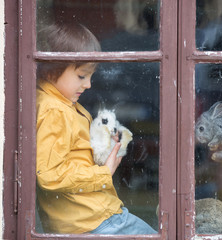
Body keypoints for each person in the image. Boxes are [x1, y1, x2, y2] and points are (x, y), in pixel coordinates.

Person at [36, 22, 157, 235]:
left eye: (90, 76)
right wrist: (104, 172)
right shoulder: (55, 110)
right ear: (51, 69)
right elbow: (49, 174)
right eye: (82, 76)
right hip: (94, 219)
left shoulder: (55, 102)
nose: (88, 84)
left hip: (81, 219)